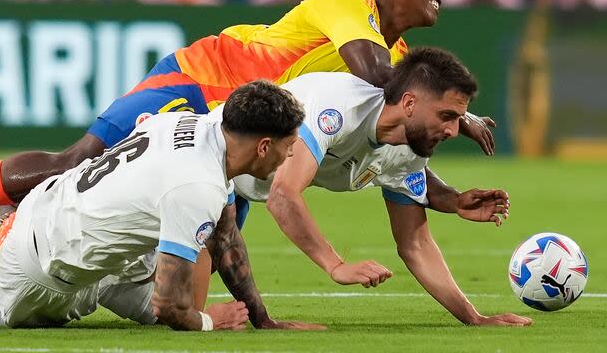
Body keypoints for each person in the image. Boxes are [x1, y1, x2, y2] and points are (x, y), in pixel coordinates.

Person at [0, 0, 497, 259]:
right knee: (77, 166)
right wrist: (457, 111)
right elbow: (371, 69)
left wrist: (447, 192)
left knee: (214, 222)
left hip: (240, 128)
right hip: (200, 82)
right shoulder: (349, 2)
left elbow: (395, 162)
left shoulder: (394, 66)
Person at [0, 81, 322, 331]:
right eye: (287, 146)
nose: (290, 156)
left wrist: (263, 320)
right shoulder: (195, 186)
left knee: (163, 294)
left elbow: (226, 233)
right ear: (261, 146)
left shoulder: (200, 122)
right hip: (45, 264)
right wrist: (206, 320)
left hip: (63, 210)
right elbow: (168, 307)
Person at [220, 47, 530, 326]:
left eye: (458, 119)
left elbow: (416, 245)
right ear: (409, 103)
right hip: (205, 169)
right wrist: (336, 266)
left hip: (236, 192)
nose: (452, 130)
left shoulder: (407, 151)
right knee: (182, 307)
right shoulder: (338, 108)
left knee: (187, 290)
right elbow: (283, 195)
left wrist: (474, 318)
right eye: (447, 116)